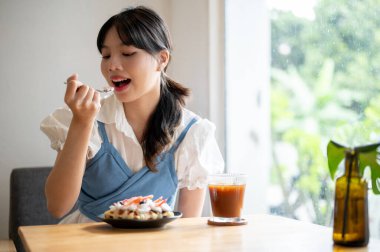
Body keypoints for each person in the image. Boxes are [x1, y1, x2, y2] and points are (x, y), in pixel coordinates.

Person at [40, 6, 224, 223]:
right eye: (106, 55)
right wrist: (82, 122)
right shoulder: (84, 117)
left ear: (162, 59)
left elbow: (187, 229)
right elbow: (57, 206)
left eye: (127, 54)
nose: (112, 65)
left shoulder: (192, 133)